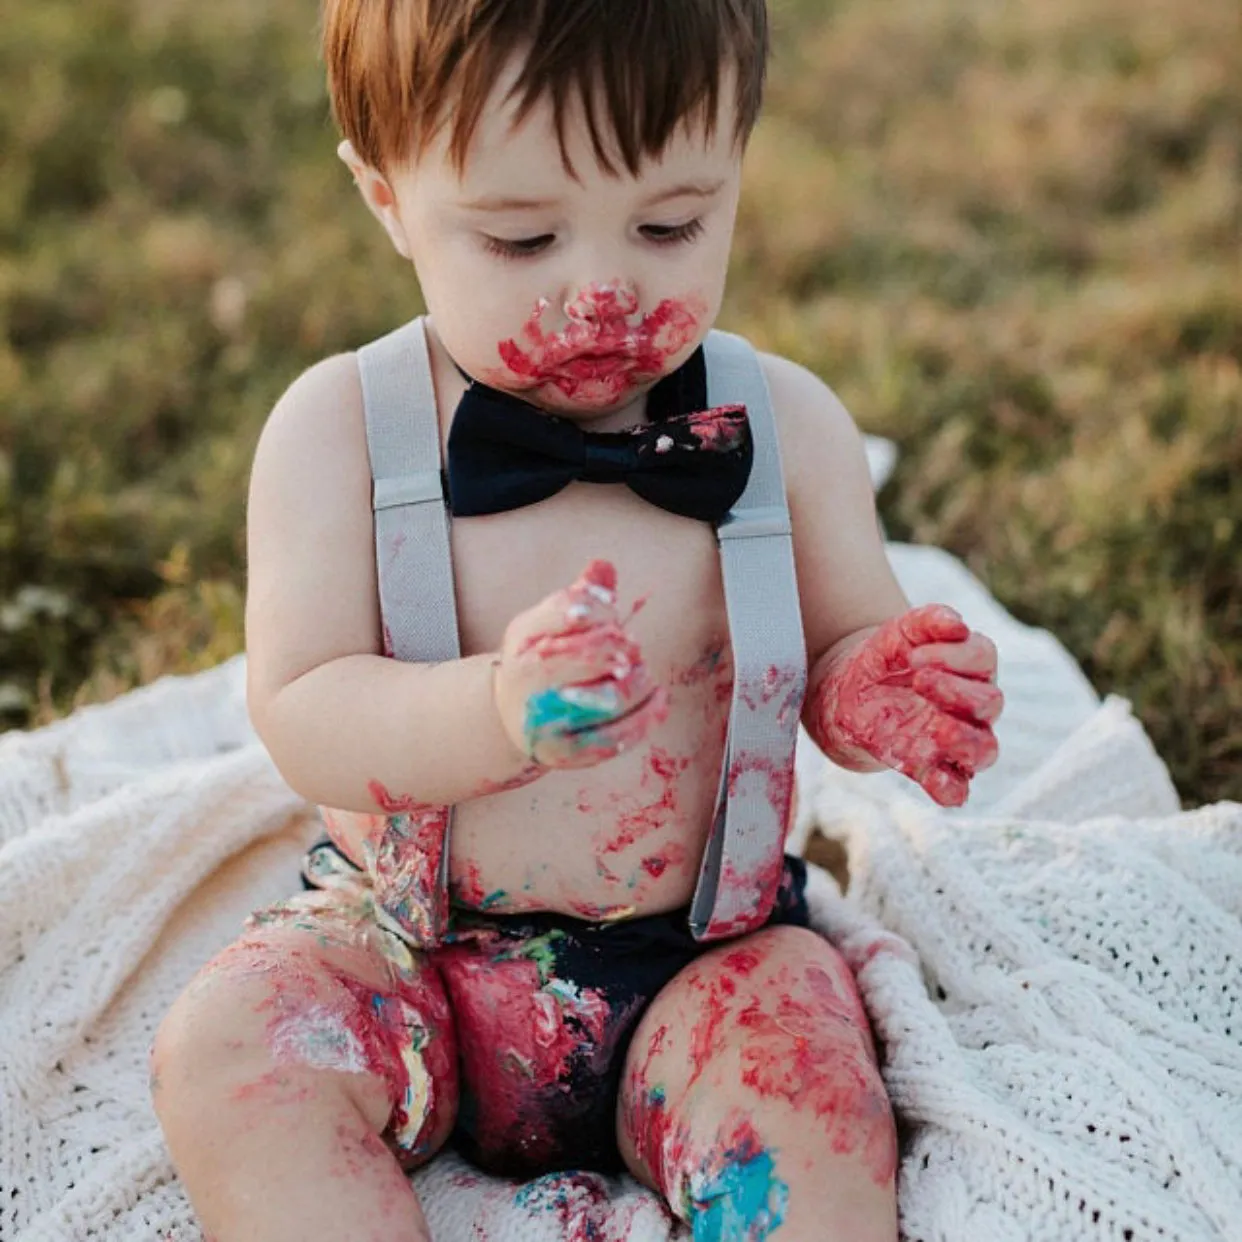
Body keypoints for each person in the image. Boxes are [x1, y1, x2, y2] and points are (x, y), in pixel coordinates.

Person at [150, 2, 1003, 1239]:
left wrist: (874, 690)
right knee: (231, 1051)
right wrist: (491, 709)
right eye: (521, 237)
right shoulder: (338, 436)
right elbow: (303, 712)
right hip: (406, 951)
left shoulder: (788, 430)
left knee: (811, 1103)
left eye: (671, 224)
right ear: (387, 197)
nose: (602, 288)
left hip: (708, 958)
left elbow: (831, 653)